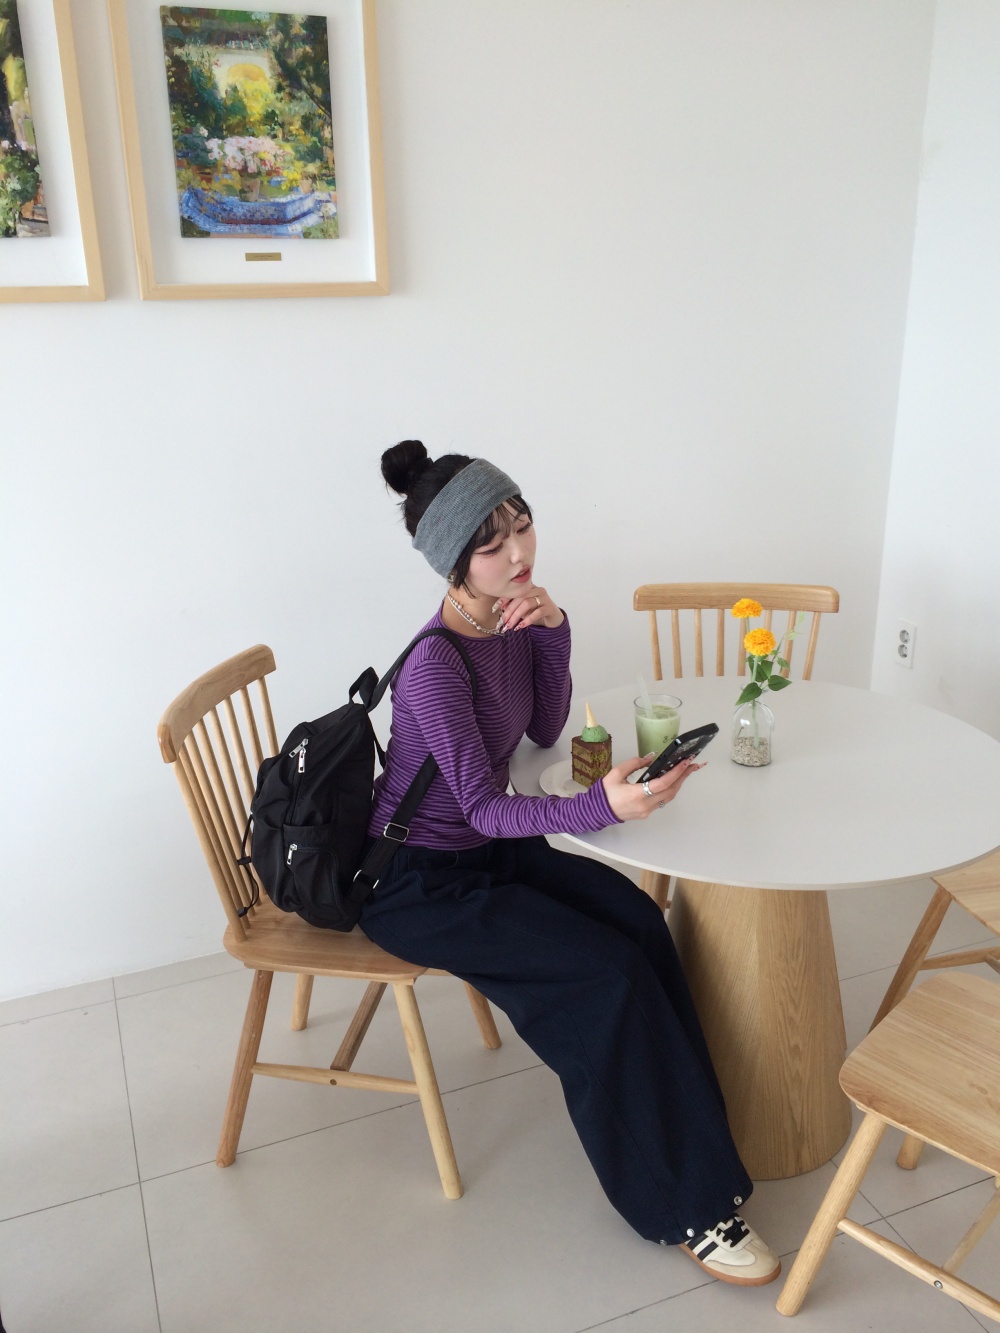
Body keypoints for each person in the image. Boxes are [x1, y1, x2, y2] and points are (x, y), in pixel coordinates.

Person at [360, 440, 781, 1287]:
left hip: (488, 854)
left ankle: (699, 1132)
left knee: (639, 922)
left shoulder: (509, 619)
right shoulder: (435, 665)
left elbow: (545, 727)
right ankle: (687, 1205)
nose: (519, 553)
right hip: (418, 880)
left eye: (523, 526)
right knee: (602, 979)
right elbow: (483, 806)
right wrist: (605, 806)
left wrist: (554, 630)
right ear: (453, 562)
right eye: (492, 545)